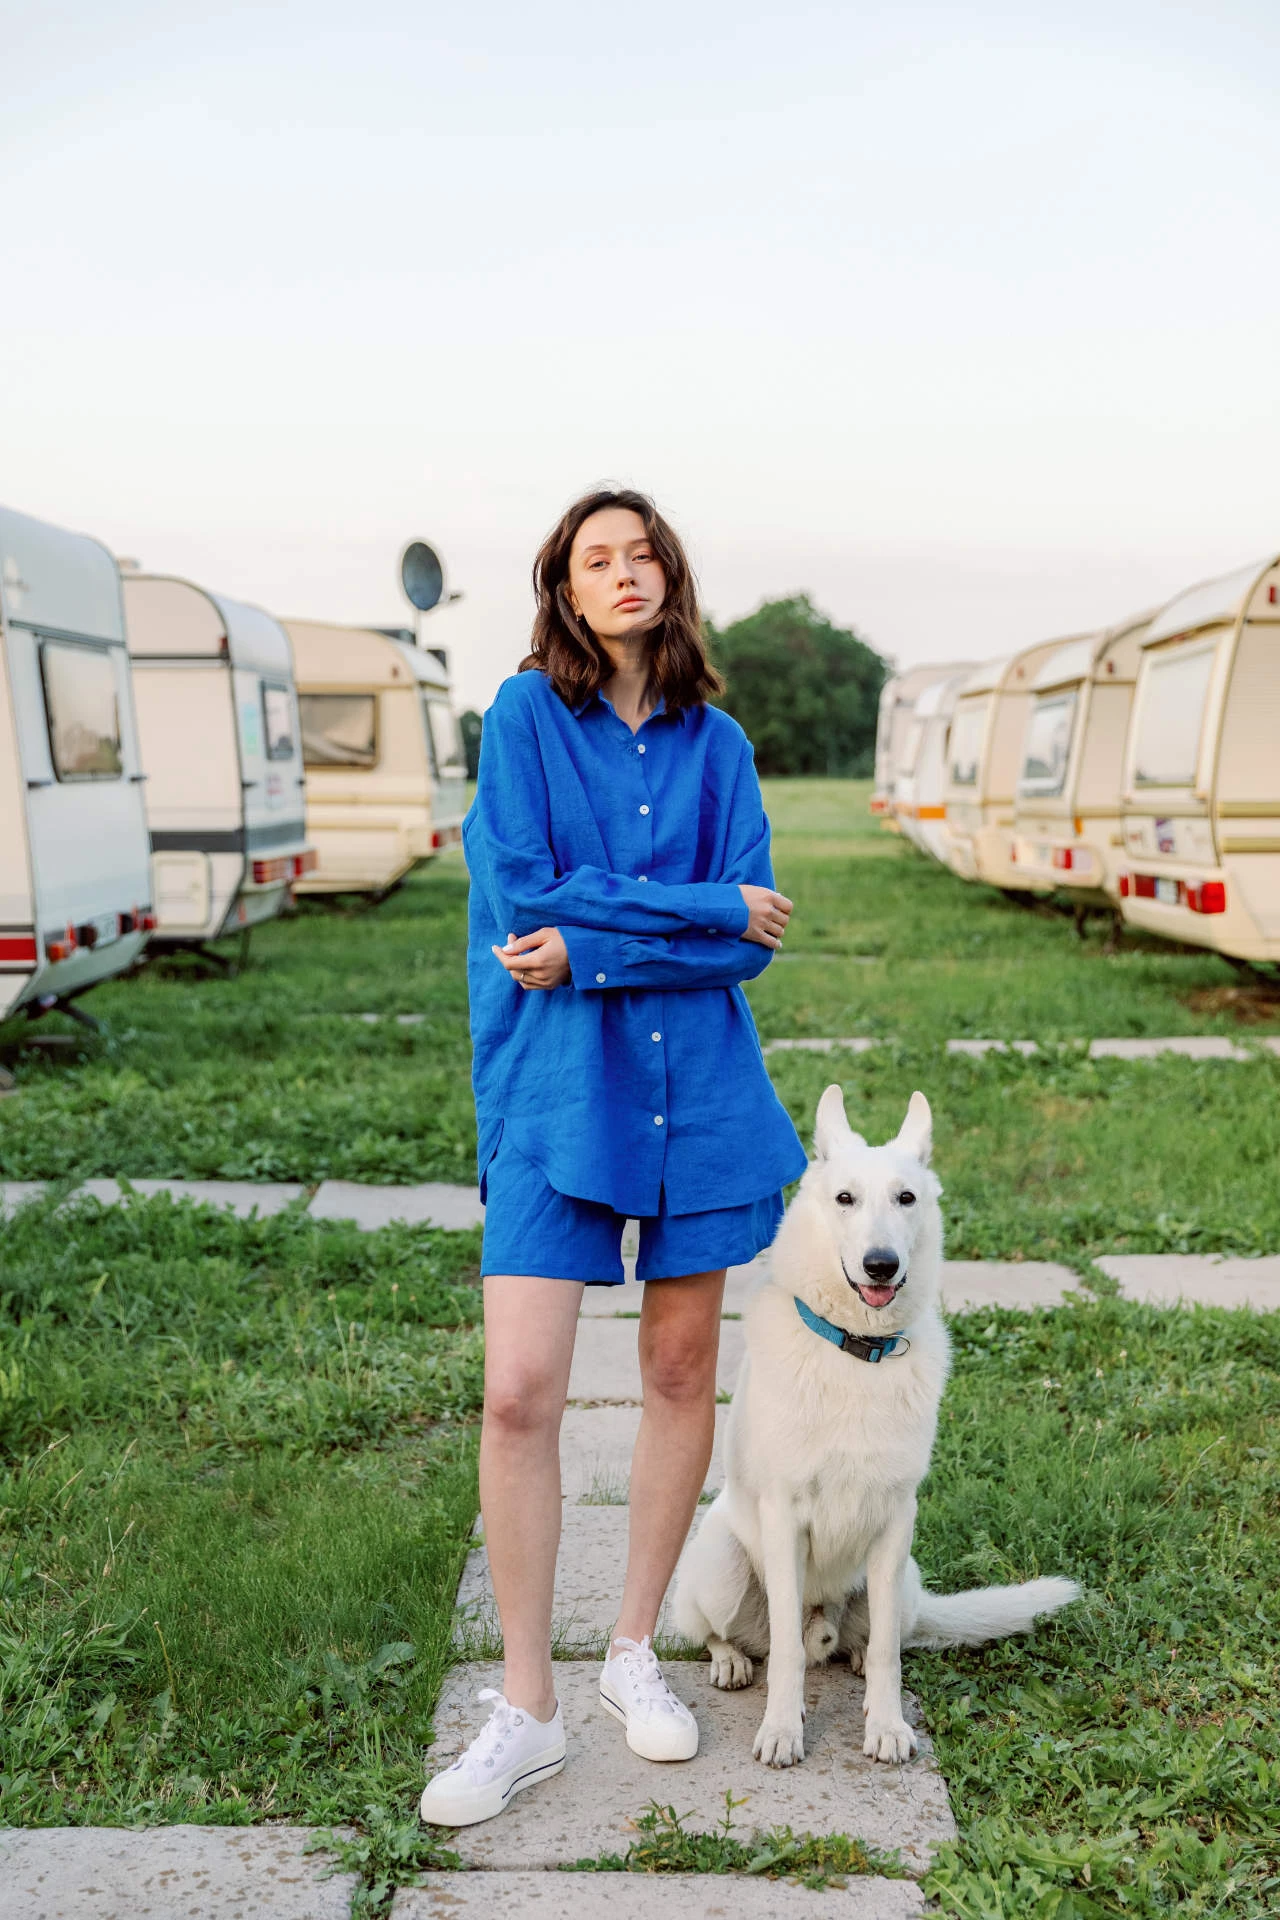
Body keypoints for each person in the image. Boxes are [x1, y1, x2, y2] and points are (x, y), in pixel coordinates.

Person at [419, 487, 808, 1827]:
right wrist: (693, 909)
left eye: (643, 552)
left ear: (671, 579)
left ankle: (632, 1650)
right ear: (566, 591)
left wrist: (602, 943)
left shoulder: (724, 745)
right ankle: (524, 1707)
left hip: (698, 1091)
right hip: (552, 1093)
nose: (625, 571)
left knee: (680, 1365)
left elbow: (758, 943)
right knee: (522, 1391)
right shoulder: (526, 718)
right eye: (598, 557)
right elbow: (526, 898)